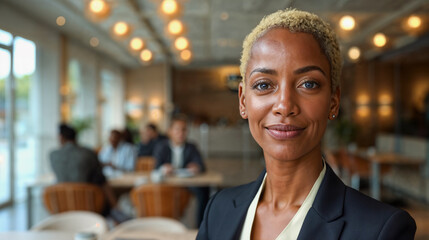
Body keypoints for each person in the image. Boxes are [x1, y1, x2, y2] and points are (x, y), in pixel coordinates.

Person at [197, 9, 416, 240]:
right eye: (263, 85)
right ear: (243, 101)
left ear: (333, 101)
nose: (284, 105)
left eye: (308, 84)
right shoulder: (218, 210)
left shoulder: (381, 229)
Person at [154, 115, 209, 227]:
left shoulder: (191, 147)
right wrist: (164, 168)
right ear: (169, 131)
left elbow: (202, 166)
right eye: (177, 129)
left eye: (184, 129)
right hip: (167, 183)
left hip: (187, 183)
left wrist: (197, 167)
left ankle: (200, 225)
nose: (181, 133)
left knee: (204, 190)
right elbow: (156, 168)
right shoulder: (161, 146)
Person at [50, 124, 116, 214]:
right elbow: (101, 179)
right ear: (75, 137)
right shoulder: (88, 153)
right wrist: (115, 205)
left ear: (60, 137)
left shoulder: (53, 155)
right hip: (89, 206)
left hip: (62, 206)